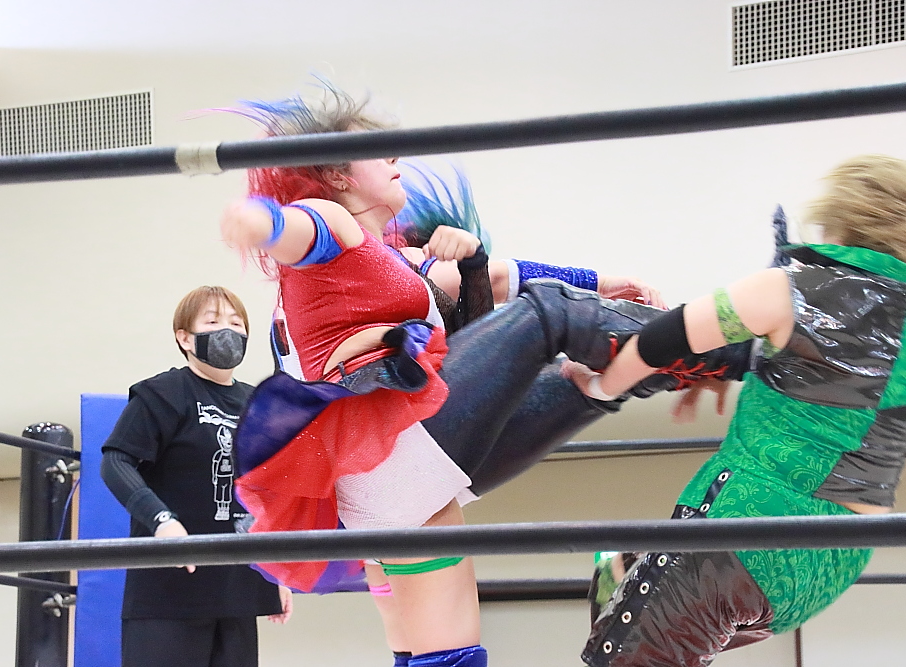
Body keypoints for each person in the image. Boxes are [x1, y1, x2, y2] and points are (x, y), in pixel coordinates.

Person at [220, 85, 749, 667]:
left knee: (585, 381)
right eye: (376, 150)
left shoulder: (391, 258)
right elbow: (298, 232)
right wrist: (261, 222)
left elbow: (499, 277)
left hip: (401, 476)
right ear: (337, 174)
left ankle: (710, 356)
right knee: (548, 315)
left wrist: (601, 280)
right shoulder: (332, 220)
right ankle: (738, 347)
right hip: (390, 449)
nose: (396, 158)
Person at [565, 155, 906, 666]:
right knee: (626, 585)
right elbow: (847, 383)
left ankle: (622, 572)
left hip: (748, 529)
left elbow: (663, 338)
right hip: (828, 566)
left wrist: (600, 387)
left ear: (843, 217)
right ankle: (622, 570)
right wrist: (746, 363)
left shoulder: (799, 288)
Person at [100, 286, 292, 667]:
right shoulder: (164, 393)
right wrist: (162, 521)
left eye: (236, 323)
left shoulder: (257, 404)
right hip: (169, 596)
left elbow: (268, 492)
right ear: (184, 338)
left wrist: (279, 571)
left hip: (238, 593)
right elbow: (116, 461)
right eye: (213, 321)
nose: (227, 331)